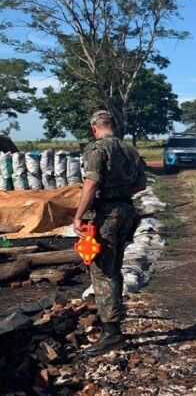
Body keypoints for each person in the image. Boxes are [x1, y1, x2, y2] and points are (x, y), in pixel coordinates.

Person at [72, 110, 146, 356]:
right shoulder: (130, 151)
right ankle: (114, 321)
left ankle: (112, 333)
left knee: (103, 271)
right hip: (127, 211)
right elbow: (142, 184)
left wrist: (78, 215)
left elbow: (91, 183)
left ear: (94, 128)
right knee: (114, 266)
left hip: (107, 215)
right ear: (112, 125)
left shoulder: (97, 149)